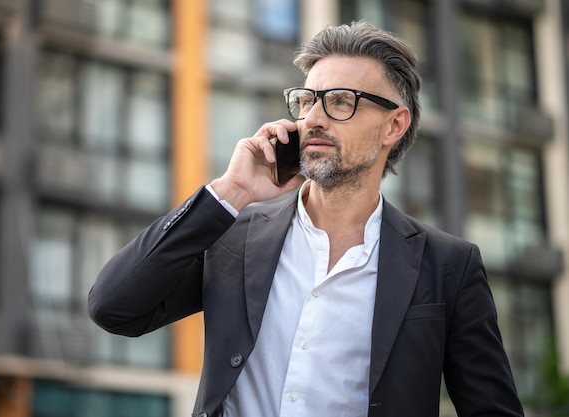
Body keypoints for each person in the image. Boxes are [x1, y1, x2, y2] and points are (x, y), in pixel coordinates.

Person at [88, 20, 524, 417]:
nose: (312, 118)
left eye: (339, 102)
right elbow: (114, 307)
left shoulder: (448, 265)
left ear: (394, 125)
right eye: (307, 100)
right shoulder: (235, 237)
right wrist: (231, 191)